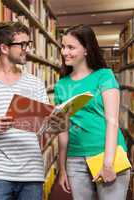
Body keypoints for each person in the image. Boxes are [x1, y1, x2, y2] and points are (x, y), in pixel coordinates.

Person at [0, 21, 66, 200]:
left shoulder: (35, 82)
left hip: (32, 173)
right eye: (22, 45)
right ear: (4, 48)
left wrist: (56, 122)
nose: (27, 49)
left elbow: (46, 128)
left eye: (28, 44)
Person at [55, 24, 130, 200]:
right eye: (63, 47)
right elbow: (62, 130)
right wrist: (62, 168)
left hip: (107, 153)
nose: (65, 52)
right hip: (75, 159)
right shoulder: (61, 85)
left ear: (87, 50)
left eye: (71, 47)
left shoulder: (104, 76)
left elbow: (112, 121)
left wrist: (108, 163)